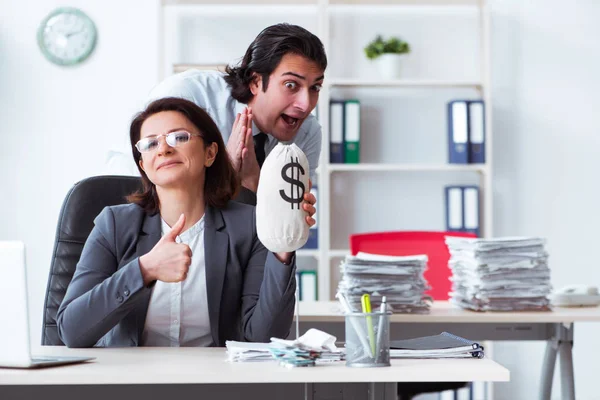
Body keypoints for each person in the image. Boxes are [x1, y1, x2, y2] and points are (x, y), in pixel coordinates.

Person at [56, 97, 316, 348]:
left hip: (213, 383)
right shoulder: (114, 224)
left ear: (210, 153)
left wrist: (283, 245)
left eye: (179, 137)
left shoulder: (248, 225)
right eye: (150, 144)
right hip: (130, 383)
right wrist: (144, 270)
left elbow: (263, 338)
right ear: (143, 165)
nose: (164, 149)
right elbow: (72, 330)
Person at [147, 23, 327, 204]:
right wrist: (227, 171)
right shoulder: (186, 97)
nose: (306, 105)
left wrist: (253, 184)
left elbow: (287, 218)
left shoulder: (308, 132)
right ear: (256, 82)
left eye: (315, 87)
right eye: (291, 85)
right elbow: (166, 200)